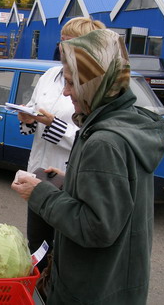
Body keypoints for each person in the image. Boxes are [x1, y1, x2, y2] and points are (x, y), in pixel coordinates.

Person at [12, 29, 164, 304]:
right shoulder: (124, 121)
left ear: (96, 84)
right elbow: (119, 196)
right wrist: (71, 179)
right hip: (117, 281)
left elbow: (96, 227)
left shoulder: (105, 141)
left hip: (91, 289)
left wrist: (40, 194)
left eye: (72, 83)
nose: (65, 90)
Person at [17, 17, 105, 271]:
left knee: (62, 247)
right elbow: (34, 116)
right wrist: (28, 118)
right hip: (40, 171)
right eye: (61, 41)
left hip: (67, 177)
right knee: (37, 241)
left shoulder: (92, 82)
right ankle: (39, 288)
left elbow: (88, 136)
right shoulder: (49, 75)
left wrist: (53, 123)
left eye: (69, 42)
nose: (61, 47)